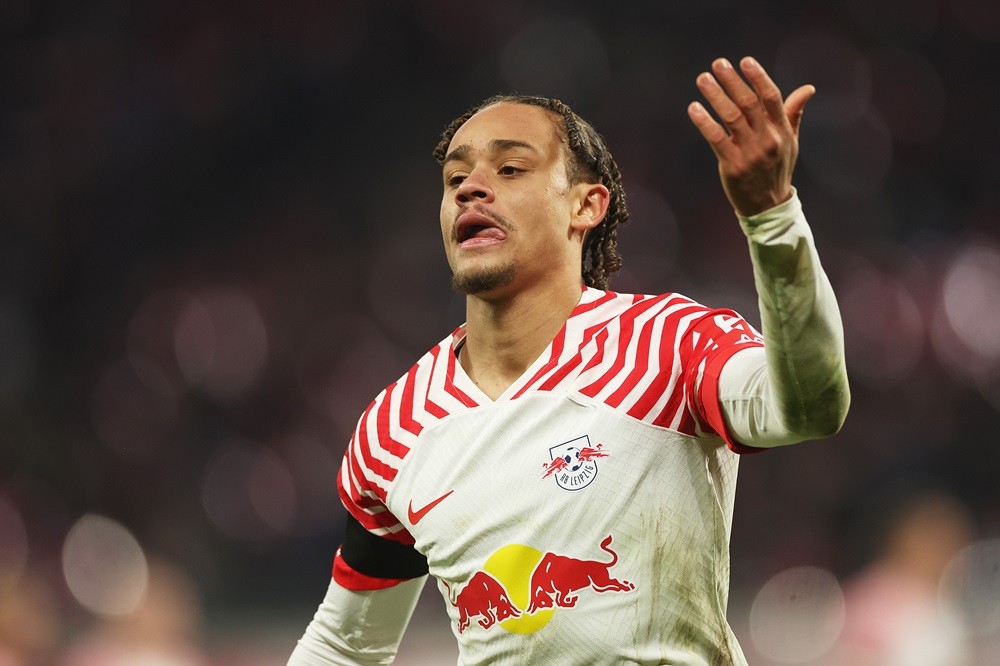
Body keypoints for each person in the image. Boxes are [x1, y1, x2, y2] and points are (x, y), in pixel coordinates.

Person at [288, 56, 850, 665]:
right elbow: (345, 645)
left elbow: (812, 409)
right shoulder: (396, 428)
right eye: (455, 180)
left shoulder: (665, 343)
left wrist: (771, 218)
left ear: (586, 206)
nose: (471, 187)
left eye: (510, 168)